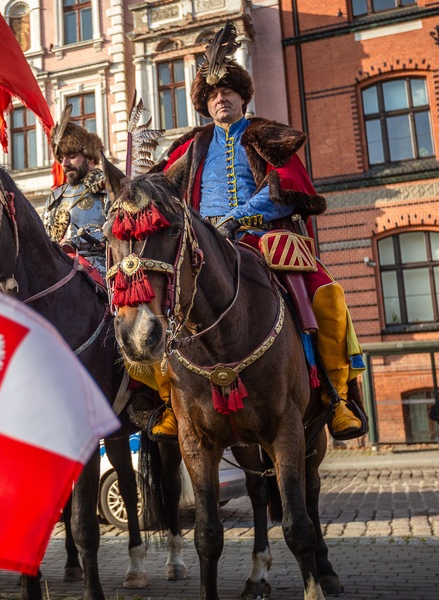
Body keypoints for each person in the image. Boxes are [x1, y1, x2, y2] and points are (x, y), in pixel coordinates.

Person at [149, 21, 365, 441]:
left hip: (263, 239)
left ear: (243, 97)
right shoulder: (189, 147)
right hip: (200, 245)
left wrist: (238, 216)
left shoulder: (265, 135)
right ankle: (168, 403)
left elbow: (286, 188)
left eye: (227, 92)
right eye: (212, 96)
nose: (220, 99)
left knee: (326, 295)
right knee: (157, 304)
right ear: (205, 105)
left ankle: (339, 397)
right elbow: (159, 190)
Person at [42, 107, 109, 276]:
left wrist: (77, 241)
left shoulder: (106, 189)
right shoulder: (56, 197)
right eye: (61, 158)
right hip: (58, 270)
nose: (64, 163)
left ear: (90, 157)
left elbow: (117, 233)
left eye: (71, 156)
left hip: (99, 271)